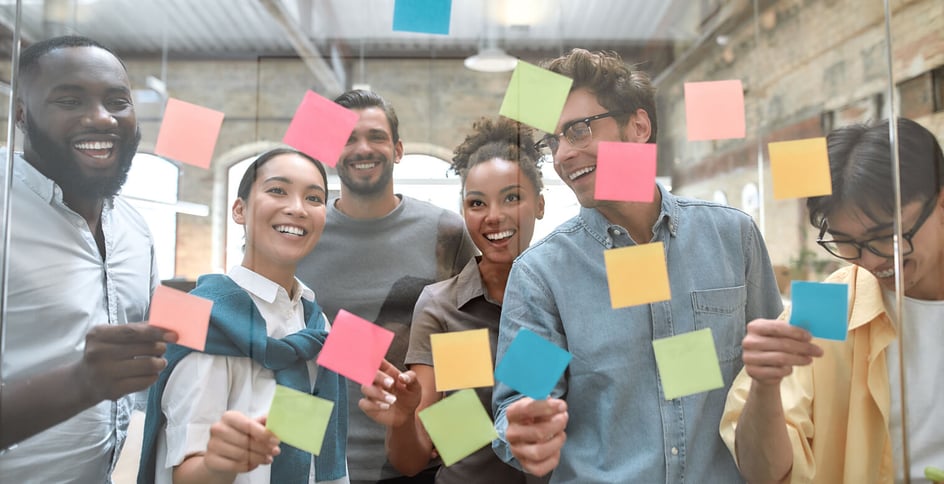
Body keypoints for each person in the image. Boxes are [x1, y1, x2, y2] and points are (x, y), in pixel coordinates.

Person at [490, 48, 784, 483]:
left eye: (578, 130)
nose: (563, 155)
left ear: (638, 127)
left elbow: (776, 378)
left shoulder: (732, 237)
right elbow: (519, 404)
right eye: (552, 141)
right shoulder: (543, 274)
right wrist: (523, 427)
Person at [720, 118, 944, 483]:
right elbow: (765, 473)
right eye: (846, 242)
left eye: (884, 237)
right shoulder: (831, 304)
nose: (870, 261)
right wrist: (765, 385)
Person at [0, 35, 177, 482]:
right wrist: (80, 383)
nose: (101, 118)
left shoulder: (135, 231)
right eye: (69, 100)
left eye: (117, 101)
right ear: (20, 113)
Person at [138, 148, 349, 484]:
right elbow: (185, 471)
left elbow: (301, 454)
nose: (296, 208)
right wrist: (219, 466)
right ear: (239, 210)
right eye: (277, 190)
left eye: (314, 197)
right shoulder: (196, 316)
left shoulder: (314, 324)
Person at [296, 89, 476, 484]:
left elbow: (469, 346)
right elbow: (279, 348)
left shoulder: (445, 233)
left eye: (376, 136)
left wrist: (456, 452)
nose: (363, 148)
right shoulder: (300, 232)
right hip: (318, 465)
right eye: (348, 138)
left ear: (397, 149)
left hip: (422, 465)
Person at [359, 117, 548, 483]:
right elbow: (412, 460)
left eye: (512, 197)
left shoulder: (561, 295)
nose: (494, 217)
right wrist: (403, 418)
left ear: (539, 204)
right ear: (464, 211)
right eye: (477, 203)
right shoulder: (441, 307)